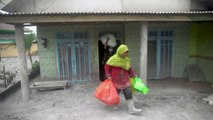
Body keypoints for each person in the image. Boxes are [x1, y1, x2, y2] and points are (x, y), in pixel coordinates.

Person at [104, 44, 142, 114]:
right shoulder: (113, 58)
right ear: (120, 52)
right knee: (116, 93)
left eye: (127, 52)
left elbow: (129, 68)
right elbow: (107, 66)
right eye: (125, 52)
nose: (126, 54)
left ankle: (131, 109)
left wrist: (133, 75)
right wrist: (108, 75)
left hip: (125, 79)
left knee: (128, 92)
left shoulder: (126, 59)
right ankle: (115, 104)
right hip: (116, 79)